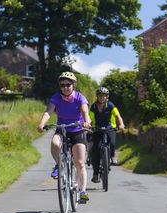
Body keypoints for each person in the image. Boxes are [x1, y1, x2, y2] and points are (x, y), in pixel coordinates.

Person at [37, 71, 92, 202]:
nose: (65, 87)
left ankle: (82, 191)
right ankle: (59, 164)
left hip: (78, 130)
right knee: (55, 143)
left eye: (68, 84)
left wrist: (87, 122)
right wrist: (41, 124)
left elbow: (85, 111)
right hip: (62, 129)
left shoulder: (80, 97)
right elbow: (49, 111)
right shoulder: (56, 97)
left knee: (79, 162)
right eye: (62, 85)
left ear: (74, 85)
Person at [89, 87, 125, 183]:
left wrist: (121, 124)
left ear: (107, 97)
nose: (102, 98)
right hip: (97, 129)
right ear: (97, 96)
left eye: (104, 96)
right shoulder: (94, 106)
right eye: (100, 96)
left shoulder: (110, 105)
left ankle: (112, 156)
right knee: (96, 151)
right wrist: (88, 124)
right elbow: (90, 118)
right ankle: (96, 174)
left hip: (110, 128)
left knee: (112, 143)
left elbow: (118, 116)